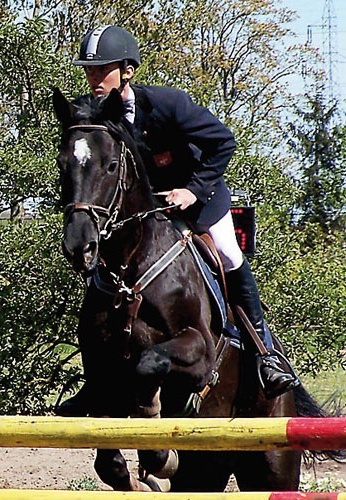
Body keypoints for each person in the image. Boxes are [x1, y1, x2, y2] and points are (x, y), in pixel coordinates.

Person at [57, 25, 299, 413]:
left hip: (199, 202)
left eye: (103, 70)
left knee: (229, 255)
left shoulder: (167, 105)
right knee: (105, 272)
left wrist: (193, 190)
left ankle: (267, 355)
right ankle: (98, 381)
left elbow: (223, 141)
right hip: (148, 213)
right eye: (90, 71)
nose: (95, 78)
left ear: (127, 70)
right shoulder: (96, 113)